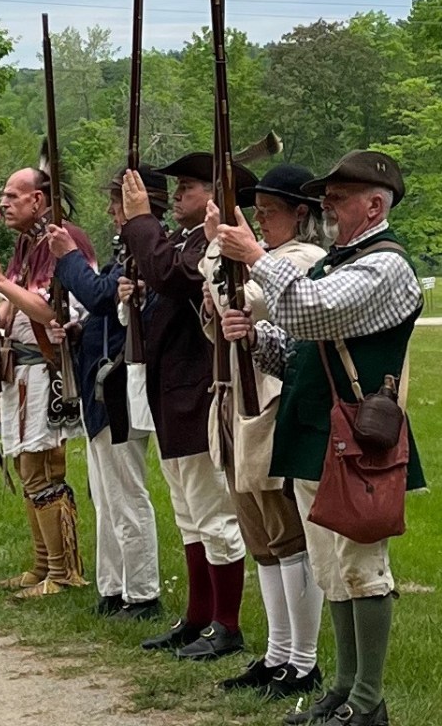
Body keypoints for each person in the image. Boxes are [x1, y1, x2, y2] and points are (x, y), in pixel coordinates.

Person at [218, 151, 425, 726]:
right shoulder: (341, 261)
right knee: (333, 567)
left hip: (361, 440)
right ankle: (342, 690)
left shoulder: (385, 266)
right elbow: (302, 356)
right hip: (322, 431)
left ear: (375, 204)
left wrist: (256, 258)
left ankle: (367, 701)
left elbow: (312, 311)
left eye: (339, 197)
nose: (327, 206)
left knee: (362, 567)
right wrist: (254, 338)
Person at [120, 153, 254, 661]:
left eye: (190, 187)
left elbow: (171, 274)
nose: (177, 195)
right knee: (189, 515)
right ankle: (198, 617)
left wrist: (140, 221)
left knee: (214, 515)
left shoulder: (212, 241)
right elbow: (159, 271)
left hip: (200, 391)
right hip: (172, 391)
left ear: (216, 198)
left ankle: (226, 622)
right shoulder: (186, 239)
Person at [201, 165, 326, 698]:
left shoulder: (301, 261)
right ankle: (277, 654)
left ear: (300, 215)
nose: (259, 221)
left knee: (287, 536)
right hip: (239, 405)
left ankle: (303, 660)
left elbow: (245, 300)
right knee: (262, 540)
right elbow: (222, 318)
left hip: (272, 406)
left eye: (268, 212)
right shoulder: (264, 260)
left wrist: (216, 249)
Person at [46, 165, 166, 621]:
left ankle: (142, 592)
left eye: (119, 204)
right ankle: (115, 587)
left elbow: (99, 295)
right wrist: (78, 331)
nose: (112, 213)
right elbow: (105, 311)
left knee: (127, 496)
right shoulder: (131, 252)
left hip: (121, 386)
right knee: (107, 495)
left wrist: (69, 256)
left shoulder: (148, 251)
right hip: (106, 383)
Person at [0, 166, 95, 599]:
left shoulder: (65, 241)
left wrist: (3, 283)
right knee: (30, 468)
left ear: (38, 201)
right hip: (23, 371)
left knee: (43, 468)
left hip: (47, 370)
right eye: (3, 196)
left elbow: (51, 313)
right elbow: (17, 309)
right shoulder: (26, 245)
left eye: (12, 196)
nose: (4, 204)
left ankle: (63, 572)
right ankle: (44, 565)